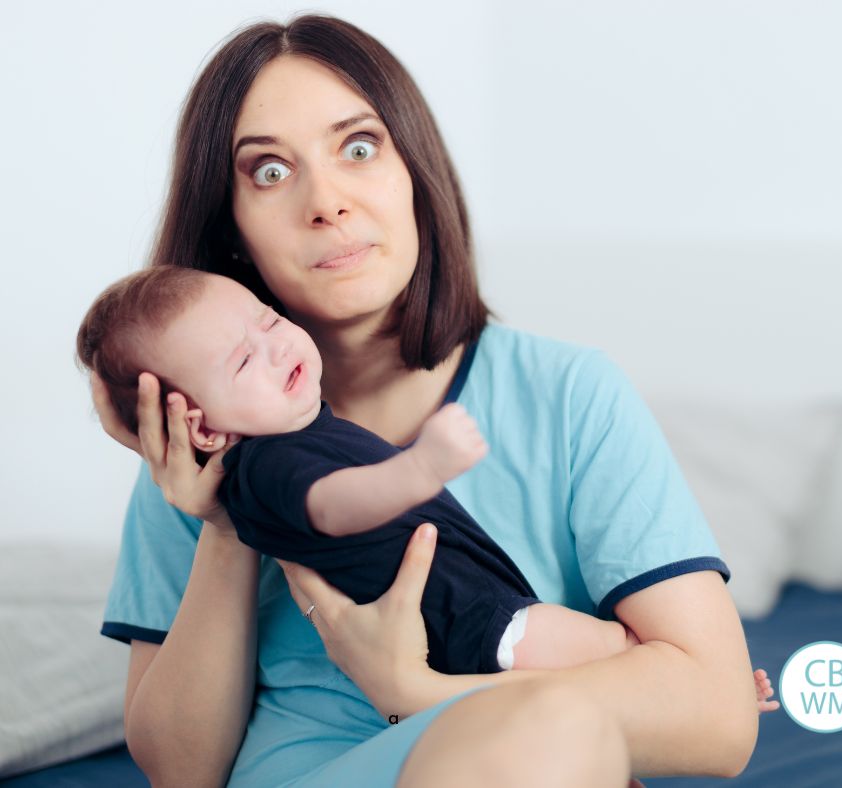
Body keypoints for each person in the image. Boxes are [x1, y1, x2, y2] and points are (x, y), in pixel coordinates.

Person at [91, 14, 777, 788]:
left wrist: (416, 696)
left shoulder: (568, 394)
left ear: (414, 170)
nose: (328, 203)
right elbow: (182, 773)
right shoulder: (196, 443)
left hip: (515, 757)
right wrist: (224, 523)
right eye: (270, 172)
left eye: (358, 147)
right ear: (232, 233)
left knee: (550, 732)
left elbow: (721, 722)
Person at [78, 266, 641, 675]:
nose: (275, 348)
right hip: (472, 623)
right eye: (244, 360)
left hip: (482, 613)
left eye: (269, 321)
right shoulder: (264, 467)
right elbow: (333, 507)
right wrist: (421, 467)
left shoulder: (305, 430)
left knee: (600, 723)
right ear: (202, 430)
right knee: (623, 658)